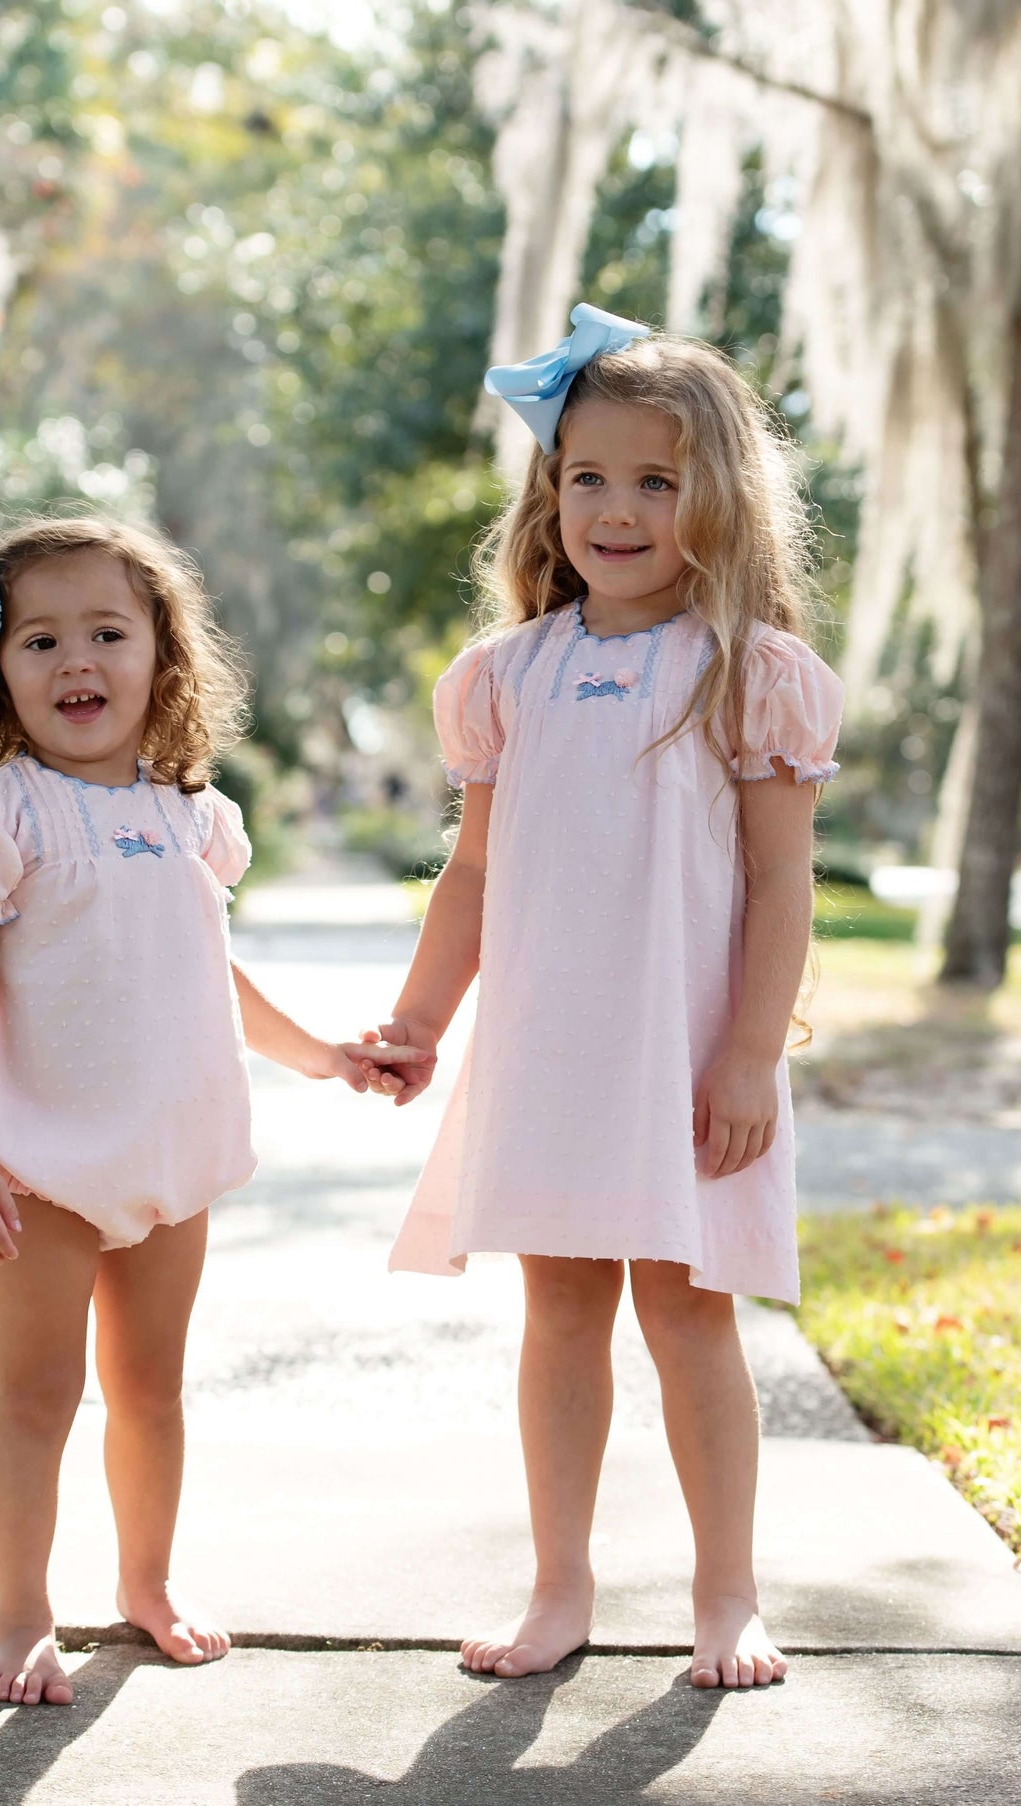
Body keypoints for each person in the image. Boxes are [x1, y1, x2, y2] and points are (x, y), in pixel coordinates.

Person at [374, 304, 844, 1690]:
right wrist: (418, 1018)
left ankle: (725, 1591)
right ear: (549, 490)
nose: (617, 508)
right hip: (549, 1050)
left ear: (720, 499)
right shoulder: (507, 676)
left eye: (657, 480)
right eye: (588, 477)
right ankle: (559, 1584)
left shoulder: (749, 675)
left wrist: (752, 1055)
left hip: (688, 1055)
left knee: (689, 1312)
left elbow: (778, 883)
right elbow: (469, 871)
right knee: (560, 1309)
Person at [0, 511, 426, 1707]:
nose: (76, 661)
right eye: (39, 641)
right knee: (37, 1396)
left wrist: (325, 1057)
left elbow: (209, 975)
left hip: (168, 1157)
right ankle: (21, 1614)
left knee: (151, 1391)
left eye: (106, 633)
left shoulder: (189, 817)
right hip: (36, 1163)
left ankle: (147, 1582)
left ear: (161, 656)